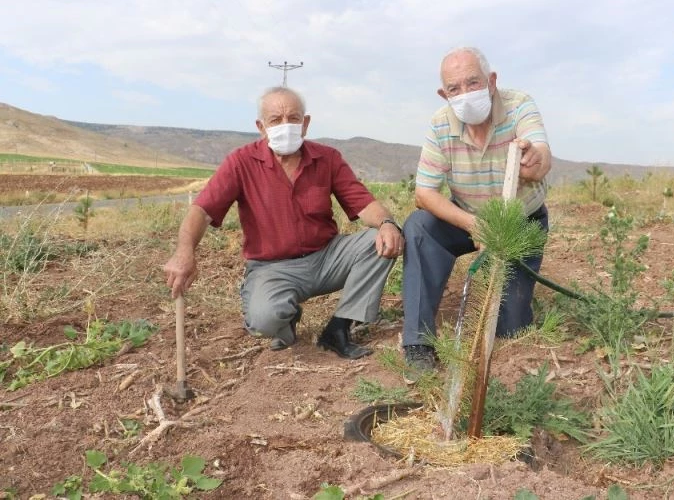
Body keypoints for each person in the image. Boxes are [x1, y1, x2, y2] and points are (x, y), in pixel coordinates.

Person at [164, 86, 404, 360]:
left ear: (306, 123)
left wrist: (386, 222)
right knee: (264, 320)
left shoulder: (327, 158)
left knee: (385, 239)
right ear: (261, 126)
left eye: (293, 118)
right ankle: (285, 319)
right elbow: (202, 211)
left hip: (326, 257)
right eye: (275, 120)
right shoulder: (241, 162)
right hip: (273, 267)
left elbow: (364, 203)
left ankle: (339, 327)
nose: (285, 125)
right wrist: (185, 251)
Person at [402, 47, 552, 370]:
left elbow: (540, 152)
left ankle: (519, 299)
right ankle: (418, 344)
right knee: (418, 227)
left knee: (509, 327)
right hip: (468, 218)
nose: (465, 95)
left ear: (491, 81)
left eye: (473, 83)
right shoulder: (441, 125)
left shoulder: (518, 105)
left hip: (519, 223)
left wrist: (535, 160)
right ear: (444, 94)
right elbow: (425, 193)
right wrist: (474, 225)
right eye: (454, 89)